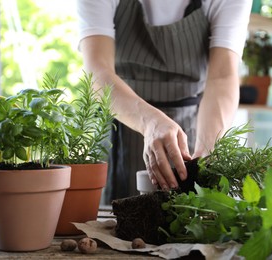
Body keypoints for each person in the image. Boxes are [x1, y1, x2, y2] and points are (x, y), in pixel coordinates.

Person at [77, 0, 252, 201]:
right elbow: (98, 72)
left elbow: (222, 76)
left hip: (192, 131)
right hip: (120, 128)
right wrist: (150, 121)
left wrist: (208, 150)